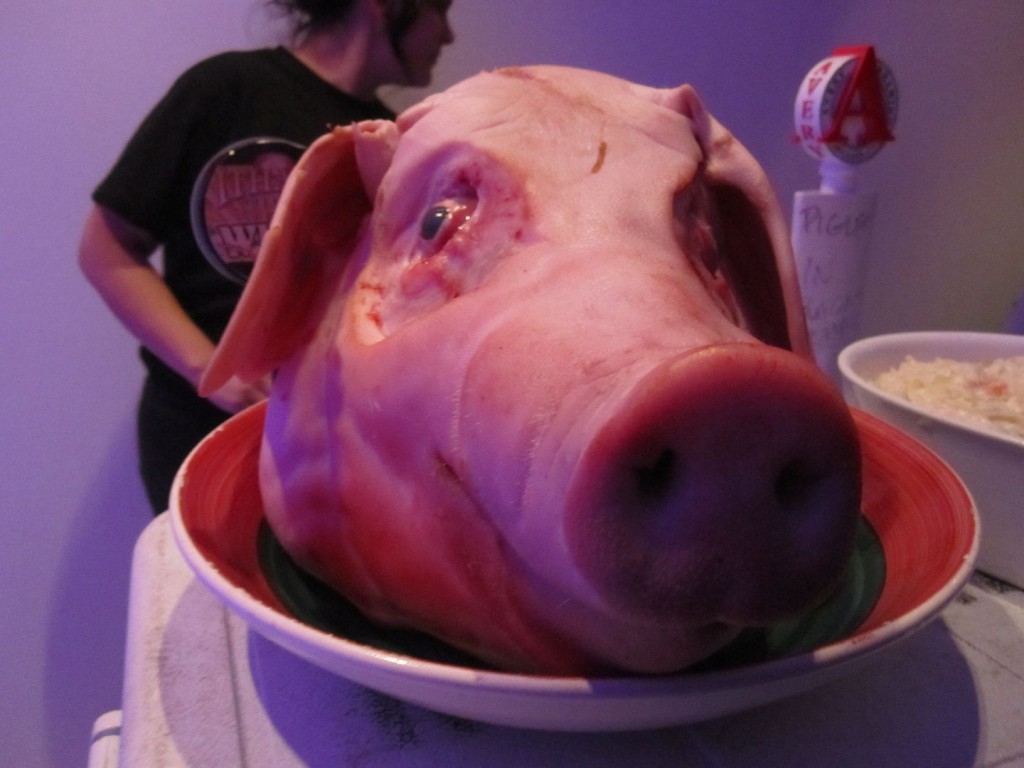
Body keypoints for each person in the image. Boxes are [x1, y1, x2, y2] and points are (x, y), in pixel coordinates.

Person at [78, 0, 455, 513]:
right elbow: (106, 249)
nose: (448, 35)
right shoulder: (224, 89)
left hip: (323, 449)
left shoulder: (393, 142)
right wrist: (212, 371)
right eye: (441, 8)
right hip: (196, 434)